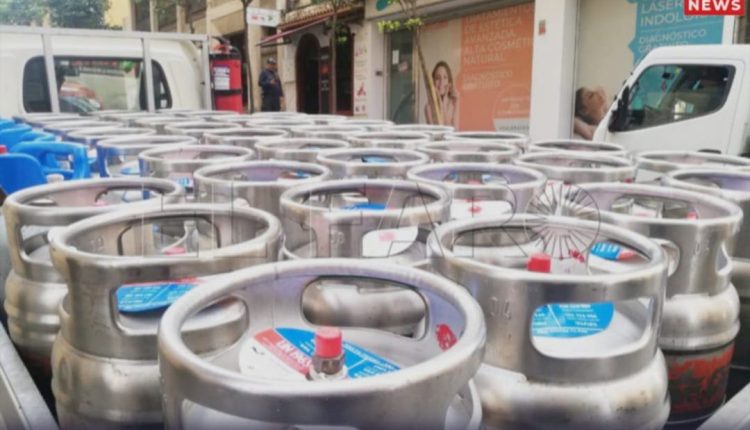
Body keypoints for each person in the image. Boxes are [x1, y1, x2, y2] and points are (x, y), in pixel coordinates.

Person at [424, 61, 458, 127]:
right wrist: (440, 101)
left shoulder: (454, 103)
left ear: (449, 81)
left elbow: (455, 130)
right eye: (438, 78)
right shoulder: (428, 107)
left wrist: (444, 104)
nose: (441, 82)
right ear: (433, 82)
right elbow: (439, 131)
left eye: (445, 77)